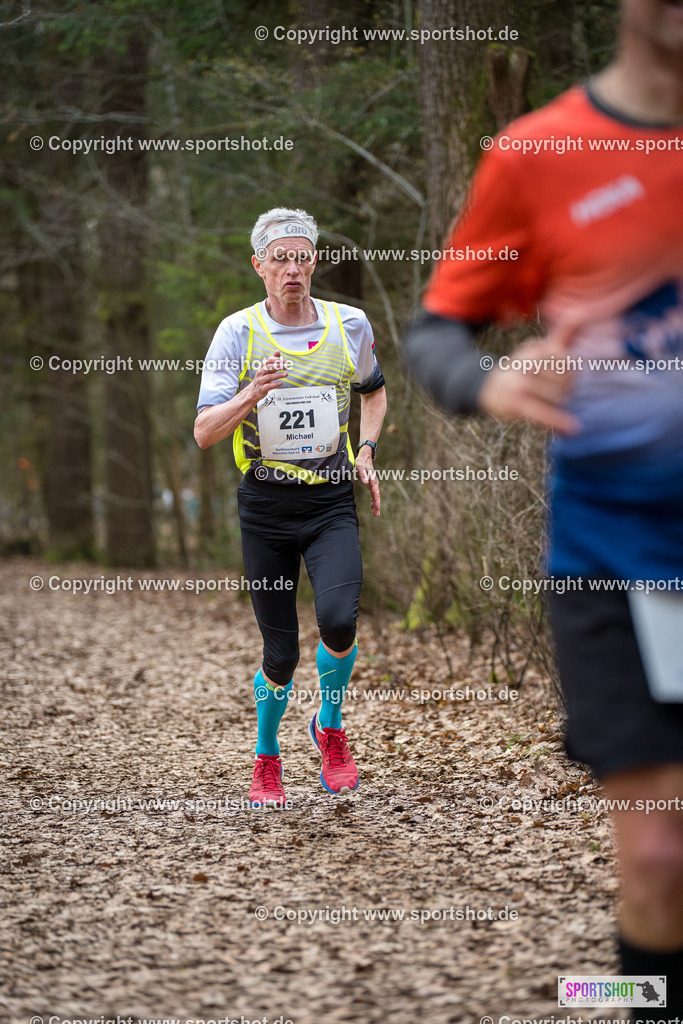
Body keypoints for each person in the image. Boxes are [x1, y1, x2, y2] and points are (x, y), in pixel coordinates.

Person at [403, 0, 683, 1015]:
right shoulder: (540, 153)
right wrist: (483, 384)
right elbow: (435, 330)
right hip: (615, 550)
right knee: (657, 846)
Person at [195, 207, 386, 808]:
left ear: (314, 262)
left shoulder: (348, 324)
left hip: (330, 500)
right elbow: (203, 432)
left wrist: (369, 448)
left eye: (302, 256)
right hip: (266, 508)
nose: (292, 268)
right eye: (279, 258)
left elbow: (374, 392)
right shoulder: (236, 333)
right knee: (281, 656)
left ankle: (329, 727)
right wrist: (252, 393)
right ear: (259, 266)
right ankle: (266, 758)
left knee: (338, 619)